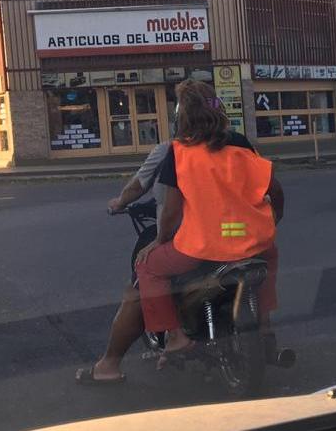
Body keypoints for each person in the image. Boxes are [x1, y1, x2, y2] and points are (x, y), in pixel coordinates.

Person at [135, 80, 284, 358]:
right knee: (269, 258)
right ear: (218, 108)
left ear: (182, 116)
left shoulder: (178, 152)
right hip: (250, 240)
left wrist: (159, 241)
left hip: (201, 246)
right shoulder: (240, 143)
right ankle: (265, 326)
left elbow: (171, 212)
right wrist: (274, 220)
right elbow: (274, 189)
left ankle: (176, 337)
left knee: (147, 266)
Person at [75, 141, 171, 385]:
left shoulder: (173, 151)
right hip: (241, 237)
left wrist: (120, 202)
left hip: (189, 241)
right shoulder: (240, 146)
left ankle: (109, 365)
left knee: (140, 283)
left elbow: (141, 187)